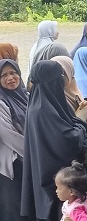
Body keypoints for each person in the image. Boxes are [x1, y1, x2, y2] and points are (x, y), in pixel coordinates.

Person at [22, 60, 87, 221]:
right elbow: (66, 140)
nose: (63, 80)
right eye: (59, 76)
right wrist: (81, 125)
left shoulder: (44, 103)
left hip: (54, 175)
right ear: (51, 80)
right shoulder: (42, 110)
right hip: (56, 179)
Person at [0, 59, 29, 221]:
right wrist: (33, 151)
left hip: (28, 162)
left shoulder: (27, 96)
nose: (10, 78)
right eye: (4, 75)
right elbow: (7, 134)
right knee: (14, 209)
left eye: (13, 73)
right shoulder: (1, 102)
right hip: (13, 163)